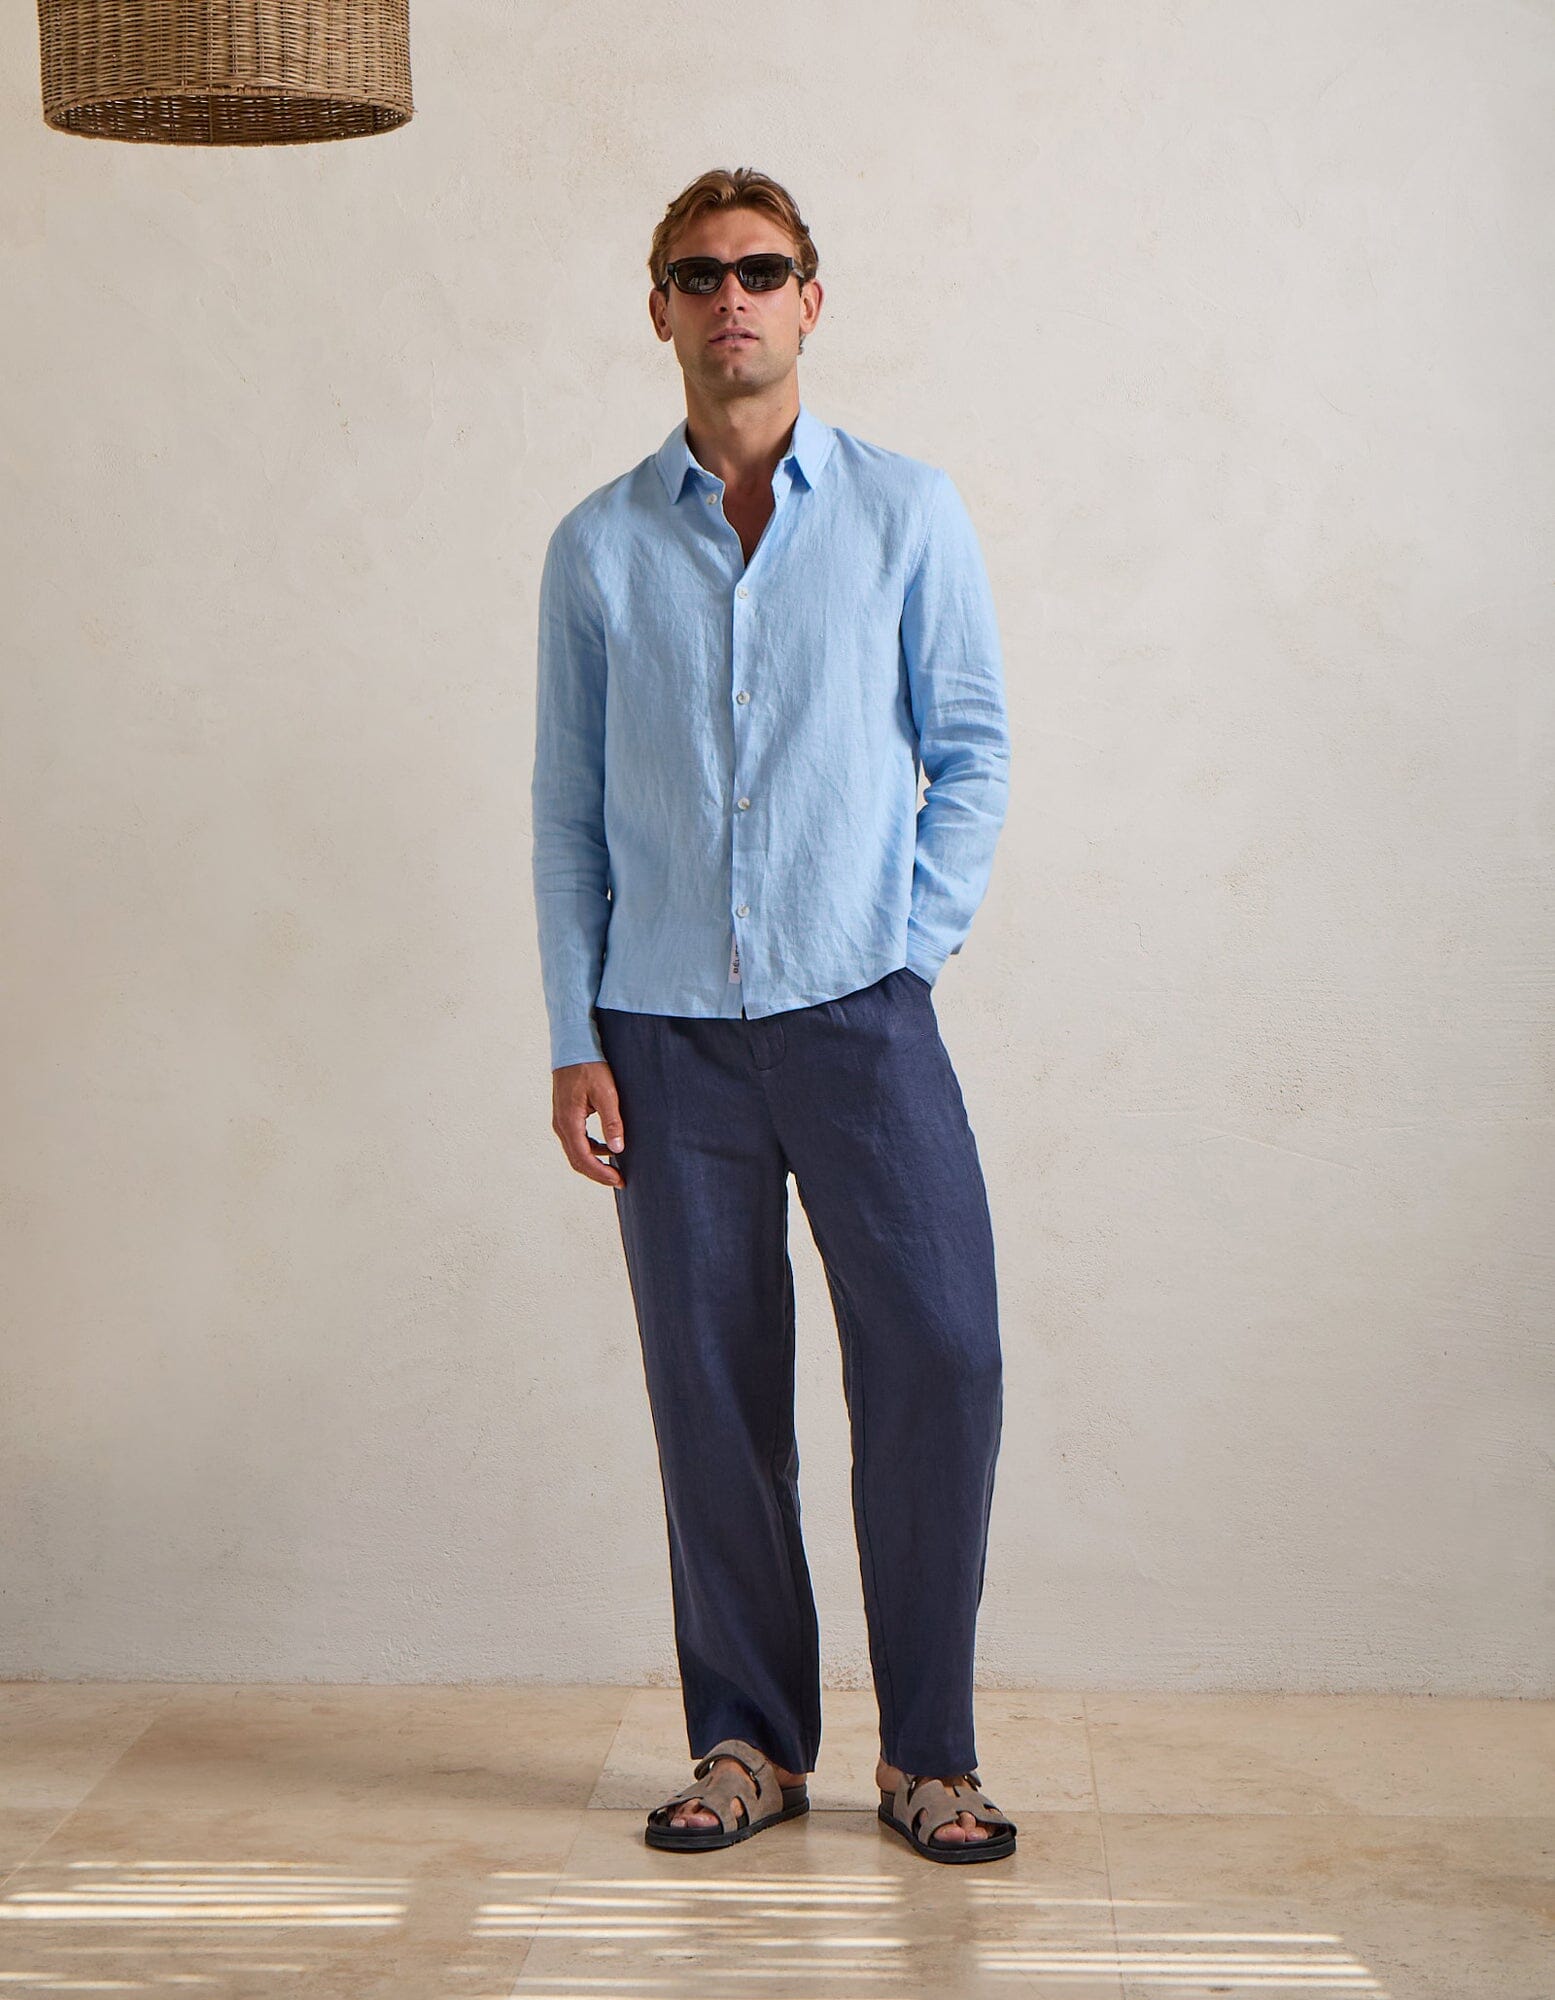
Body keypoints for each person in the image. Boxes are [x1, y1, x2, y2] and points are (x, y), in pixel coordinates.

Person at [531, 167, 1016, 1864]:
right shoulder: (598, 548)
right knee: (713, 1391)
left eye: (760, 269)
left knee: (942, 1355)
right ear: (658, 307)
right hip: (663, 1038)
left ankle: (931, 1755)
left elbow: (974, 753)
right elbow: (569, 816)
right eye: (697, 273)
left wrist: (907, 947)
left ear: (811, 297)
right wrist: (574, 1033)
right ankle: (747, 1743)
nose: (728, 297)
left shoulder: (906, 512)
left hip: (863, 1021)